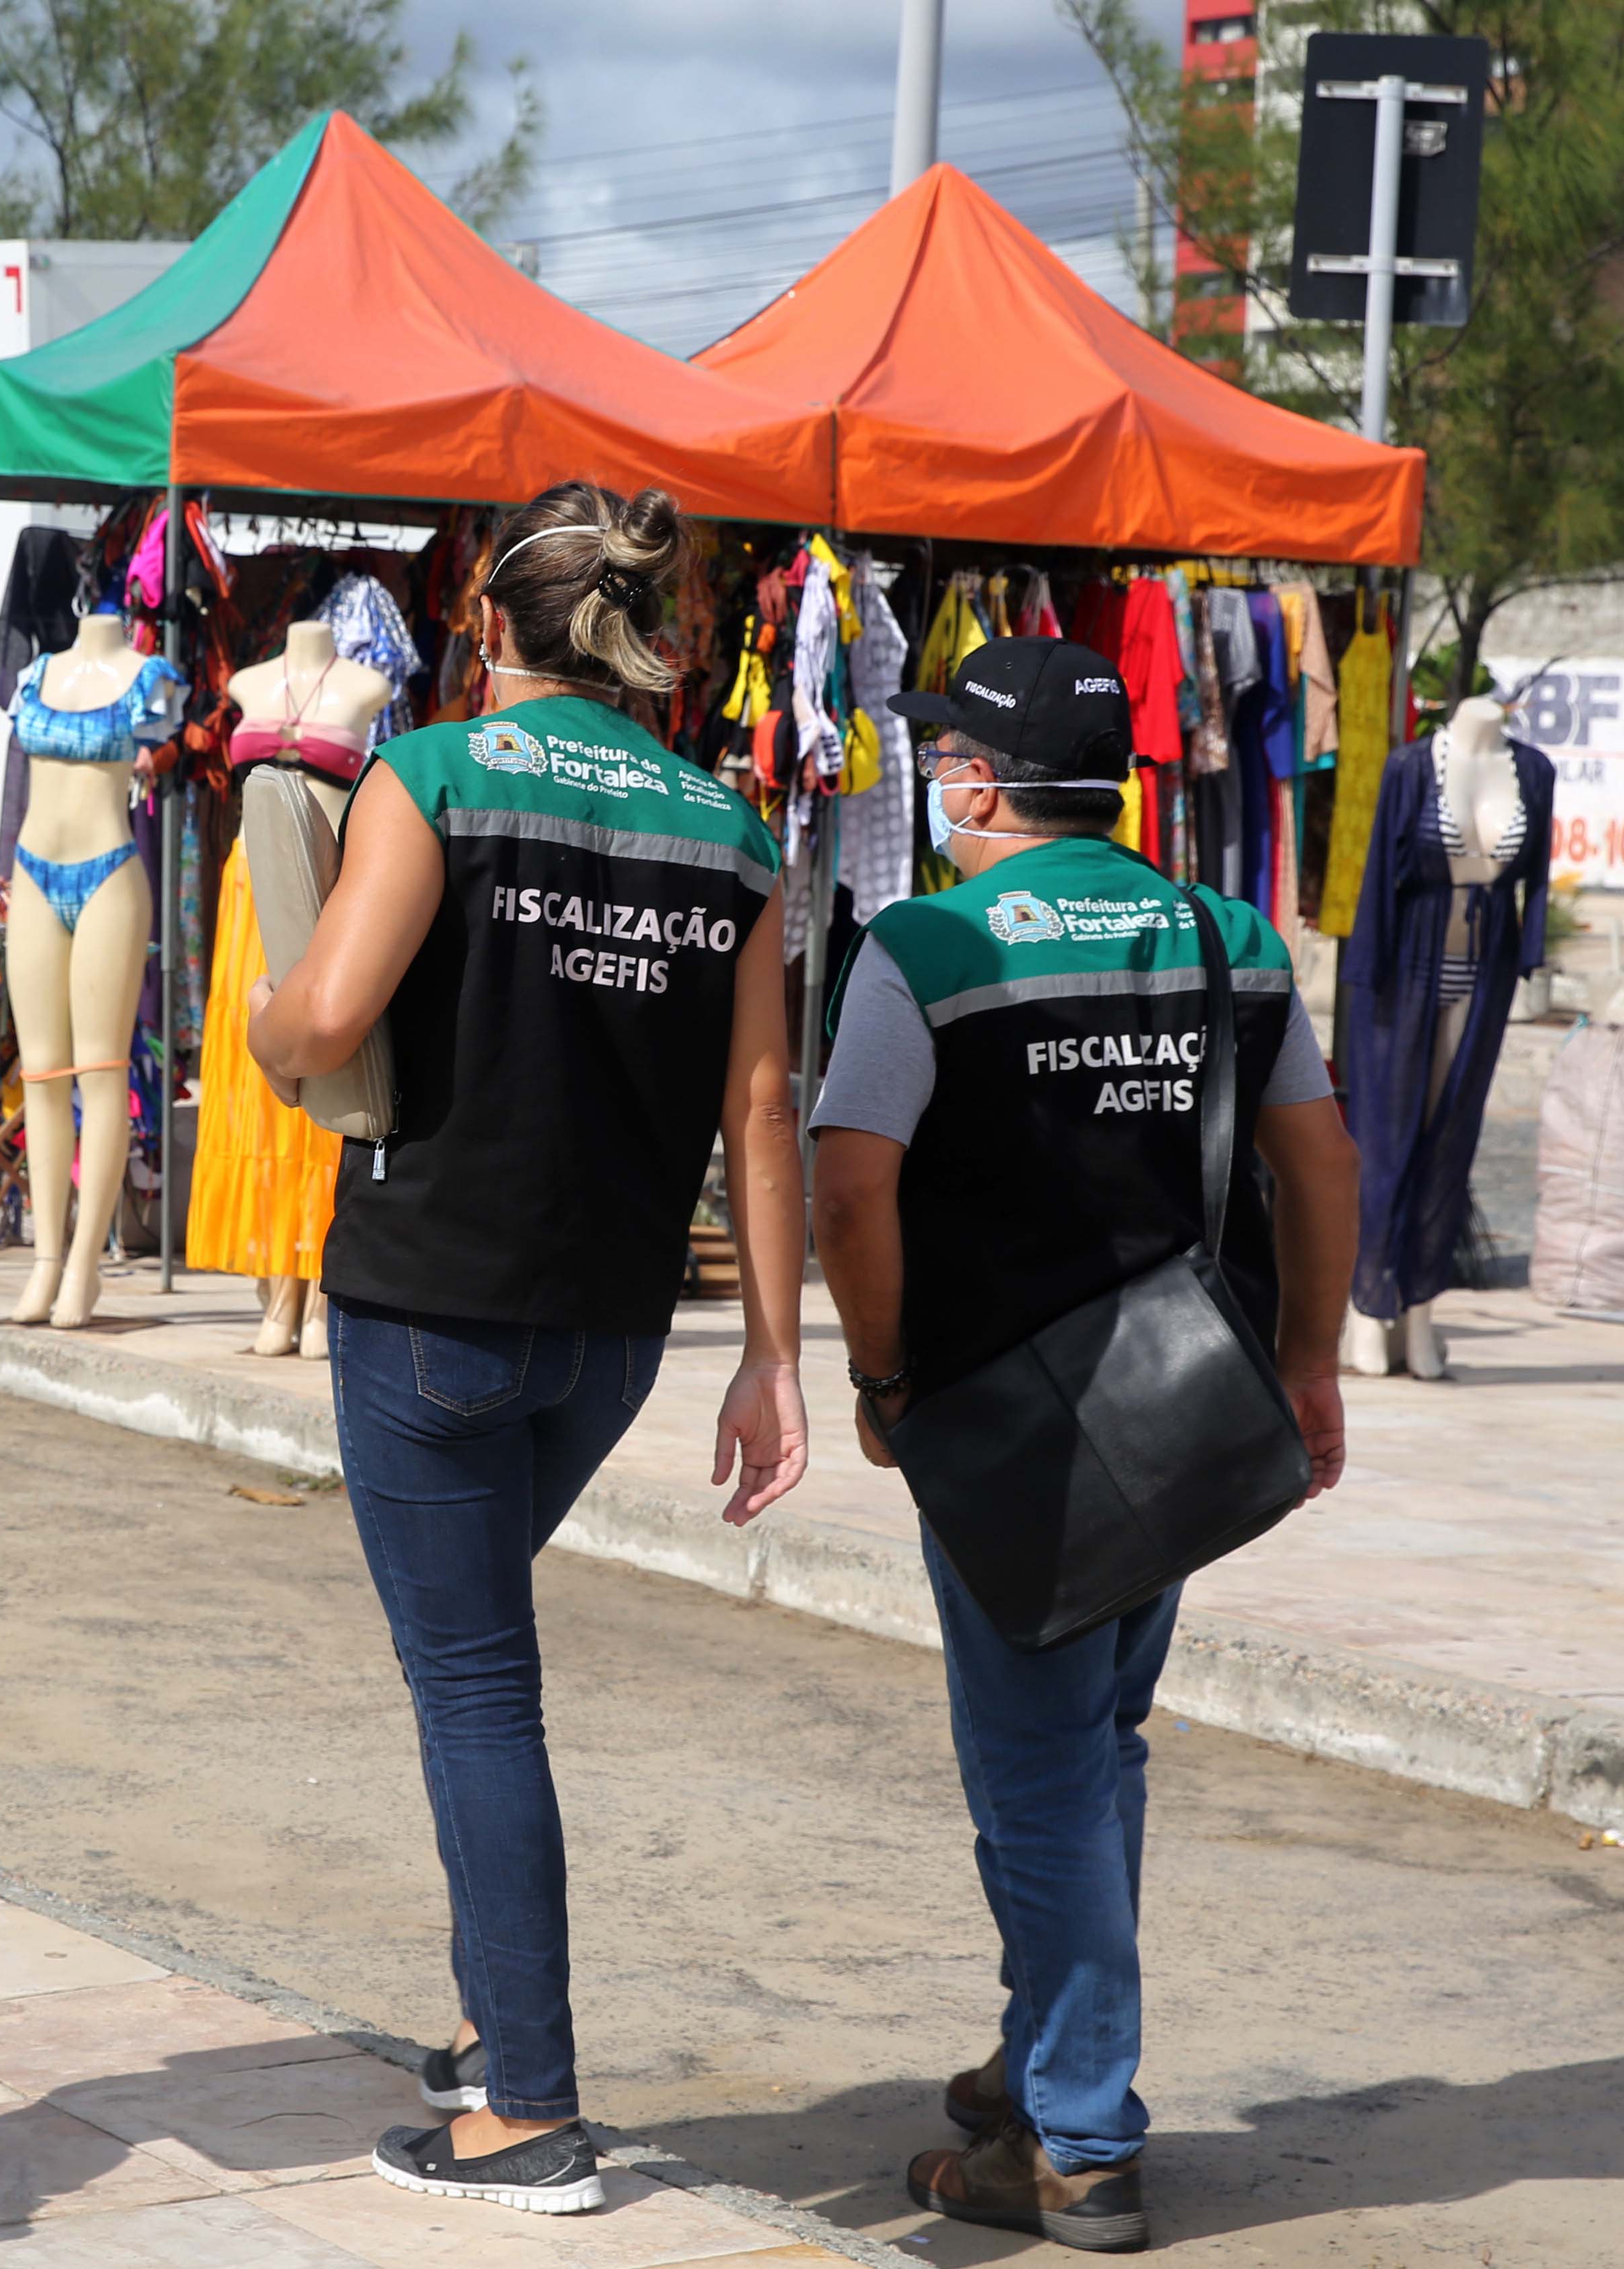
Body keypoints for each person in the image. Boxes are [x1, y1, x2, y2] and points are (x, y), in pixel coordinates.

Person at [248, 479, 811, 2217]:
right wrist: (777, 1356)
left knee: (478, 1690)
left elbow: (327, 1018)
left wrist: (267, 1021)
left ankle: (529, 2109)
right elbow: (763, 1104)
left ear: (488, 623)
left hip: (433, 1303)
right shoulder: (726, 826)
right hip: (614, 1331)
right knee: (474, 1661)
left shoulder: (432, 776)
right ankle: (498, 2013)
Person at [808, 636, 1356, 2256]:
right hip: (1180, 1405)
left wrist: (881, 1374)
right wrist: (1309, 1363)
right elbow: (1320, 1163)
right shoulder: (1224, 935)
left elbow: (850, 1186)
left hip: (1008, 1433)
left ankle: (1078, 2140)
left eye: (939, 762)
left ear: (980, 787)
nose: (930, 784)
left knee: (1038, 1776)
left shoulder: (921, 945)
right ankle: (1043, 2047)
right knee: (1098, 1745)